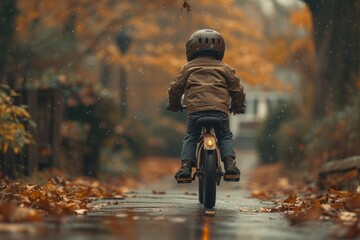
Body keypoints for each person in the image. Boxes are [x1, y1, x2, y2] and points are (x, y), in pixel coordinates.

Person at [167, 29, 246, 183]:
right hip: (220, 111)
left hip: (196, 111)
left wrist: (174, 105)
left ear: (191, 49)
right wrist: (237, 106)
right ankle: (230, 165)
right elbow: (237, 90)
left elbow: (175, 89)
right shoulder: (225, 69)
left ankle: (185, 168)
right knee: (224, 136)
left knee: (191, 137)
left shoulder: (188, 68)